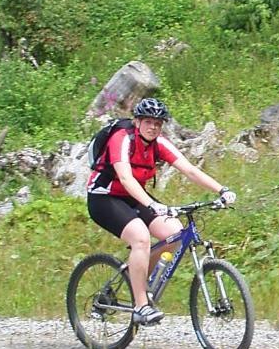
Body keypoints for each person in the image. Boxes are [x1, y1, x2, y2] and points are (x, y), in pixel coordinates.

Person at [87, 97, 236, 326]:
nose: (153, 127)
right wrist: (151, 204)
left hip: (133, 197)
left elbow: (189, 170)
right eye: (148, 121)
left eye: (158, 123)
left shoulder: (159, 142)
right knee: (140, 237)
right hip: (104, 197)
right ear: (137, 122)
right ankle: (140, 307)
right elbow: (126, 178)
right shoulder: (122, 138)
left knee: (175, 233)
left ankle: (134, 279)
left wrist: (222, 190)